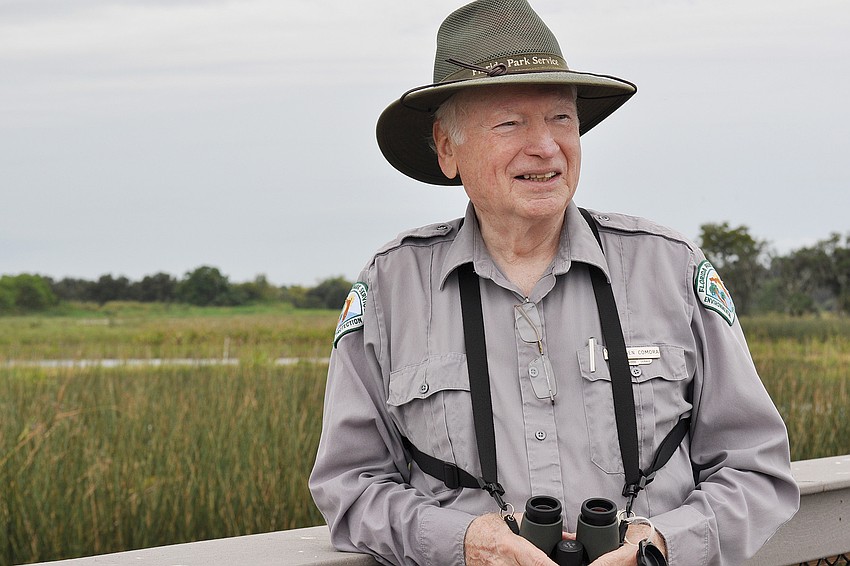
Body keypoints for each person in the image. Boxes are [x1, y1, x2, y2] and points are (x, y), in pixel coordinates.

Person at [309, 1, 800, 564]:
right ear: (448, 149)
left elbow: (757, 468)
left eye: (561, 119)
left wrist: (665, 544)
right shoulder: (392, 288)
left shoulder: (670, 268)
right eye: (511, 122)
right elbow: (350, 486)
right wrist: (464, 543)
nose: (545, 146)